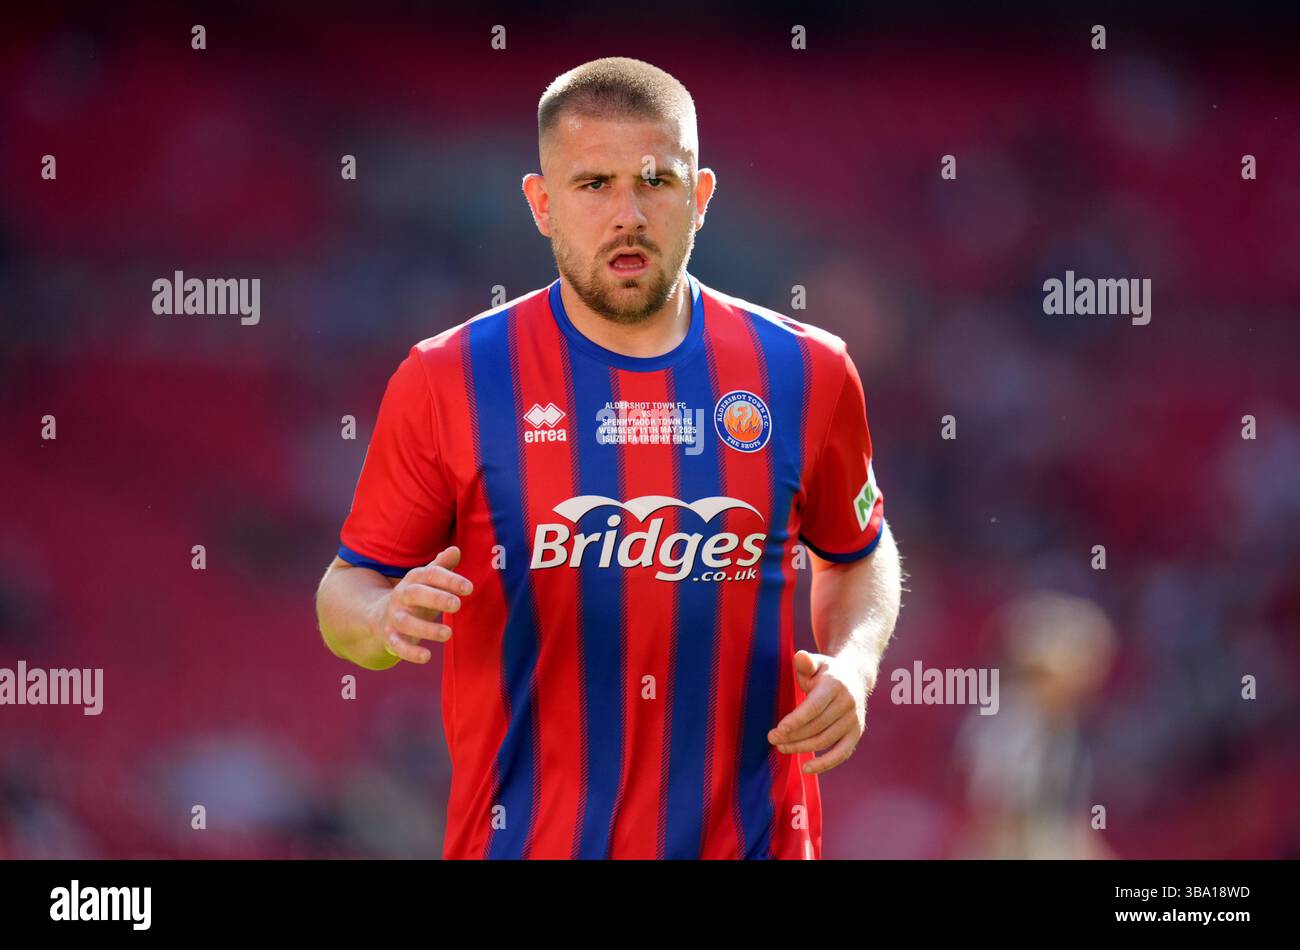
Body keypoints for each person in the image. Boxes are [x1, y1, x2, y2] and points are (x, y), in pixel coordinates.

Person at [315, 56, 902, 859]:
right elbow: (346, 590)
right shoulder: (448, 377)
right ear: (542, 203)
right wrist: (381, 621)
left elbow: (857, 552)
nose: (627, 213)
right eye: (593, 185)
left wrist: (855, 661)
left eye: (656, 181)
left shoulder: (808, 371)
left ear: (700, 198)